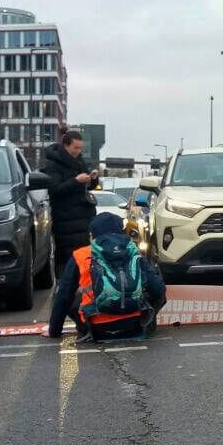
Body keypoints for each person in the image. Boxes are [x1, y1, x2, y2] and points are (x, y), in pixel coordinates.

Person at [49, 213, 166, 341]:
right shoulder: (133, 251)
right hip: (134, 325)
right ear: (122, 232)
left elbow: (63, 297)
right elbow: (158, 290)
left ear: (92, 235)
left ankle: (85, 328)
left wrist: (54, 331)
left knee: (70, 293)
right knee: (156, 287)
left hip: (97, 329)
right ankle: (148, 324)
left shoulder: (81, 255)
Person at [41, 130, 98, 274]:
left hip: (83, 219)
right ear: (66, 146)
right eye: (76, 148)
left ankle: (83, 289)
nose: (78, 151)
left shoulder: (79, 161)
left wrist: (92, 179)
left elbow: (86, 186)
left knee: (84, 259)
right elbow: (55, 190)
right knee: (68, 261)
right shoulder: (53, 164)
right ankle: (65, 289)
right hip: (65, 219)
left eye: (80, 148)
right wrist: (75, 181)